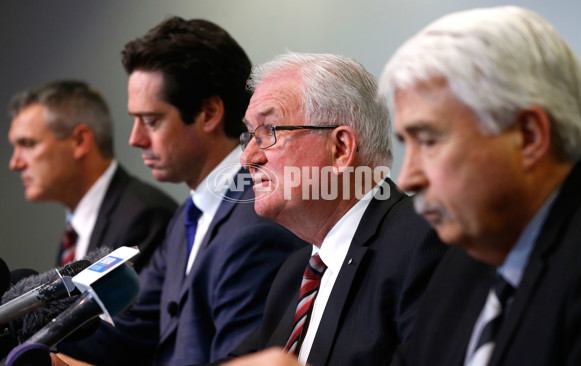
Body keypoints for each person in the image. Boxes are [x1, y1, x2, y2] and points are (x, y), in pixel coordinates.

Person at [56, 17, 305, 366]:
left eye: (152, 121)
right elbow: (129, 330)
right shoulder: (189, 216)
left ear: (208, 113)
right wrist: (31, 345)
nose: (135, 139)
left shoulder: (256, 223)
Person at [378, 5, 581, 366]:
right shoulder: (462, 265)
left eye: (429, 141)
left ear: (528, 137)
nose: (407, 179)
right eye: (407, 143)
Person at [209, 52, 446, 366]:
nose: (248, 158)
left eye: (268, 132)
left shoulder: (423, 239)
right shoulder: (295, 272)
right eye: (249, 136)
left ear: (340, 149)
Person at [8, 80, 177, 271]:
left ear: (80, 141)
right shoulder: (74, 231)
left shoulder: (144, 217)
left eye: (28, 144)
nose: (15, 163)